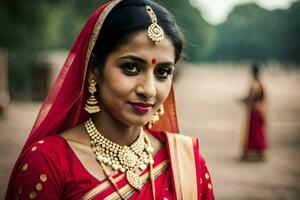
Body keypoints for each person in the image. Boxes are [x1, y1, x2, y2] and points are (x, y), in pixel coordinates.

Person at [6, 0, 215, 199]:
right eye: (131, 67)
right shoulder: (47, 162)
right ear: (94, 70)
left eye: (162, 72)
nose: (149, 90)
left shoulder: (186, 162)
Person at [240, 62, 267, 161]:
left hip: (254, 111)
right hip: (261, 110)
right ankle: (259, 152)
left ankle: (253, 153)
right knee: (258, 132)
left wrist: (242, 100)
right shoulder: (260, 83)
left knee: (253, 133)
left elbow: (249, 99)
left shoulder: (254, 85)